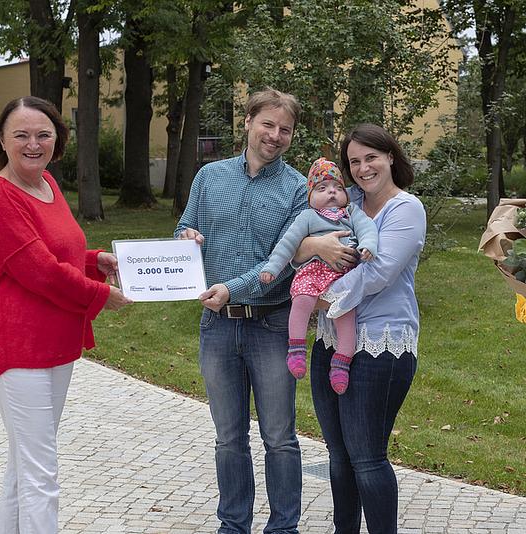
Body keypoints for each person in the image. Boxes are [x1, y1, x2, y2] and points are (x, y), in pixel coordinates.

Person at [0, 96, 131, 534]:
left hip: (55, 343)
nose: (32, 143)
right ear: (2, 140)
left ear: (57, 140)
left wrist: (95, 261)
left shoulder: (48, 185)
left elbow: (58, 251)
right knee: (41, 473)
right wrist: (101, 296)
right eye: (20, 135)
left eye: (43, 134)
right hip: (17, 347)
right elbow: (39, 271)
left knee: (25, 466)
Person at [174, 87, 307, 534]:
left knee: (280, 439)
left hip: (271, 324)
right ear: (247, 122)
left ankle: (283, 527)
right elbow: (184, 227)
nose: (275, 135)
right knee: (229, 438)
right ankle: (233, 525)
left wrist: (232, 288)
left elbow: (286, 261)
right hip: (217, 327)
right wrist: (185, 240)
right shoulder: (209, 176)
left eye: (284, 129)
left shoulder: (298, 190)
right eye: (267, 124)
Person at [294, 124, 426, 533]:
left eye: (372, 157)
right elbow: (295, 244)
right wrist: (314, 248)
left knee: (367, 456)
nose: (364, 167)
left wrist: (319, 299)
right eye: (355, 161)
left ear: (390, 157)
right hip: (331, 342)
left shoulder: (406, 209)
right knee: (338, 453)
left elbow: (380, 272)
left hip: (381, 346)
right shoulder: (346, 202)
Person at [260, 157, 378, 394]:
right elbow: (288, 244)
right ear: (310, 196)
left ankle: (341, 364)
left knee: (346, 317)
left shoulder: (351, 212)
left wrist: (367, 246)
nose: (331, 192)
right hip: (313, 271)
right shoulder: (307, 217)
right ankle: (296, 349)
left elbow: (367, 228)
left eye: (337, 187)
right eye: (322, 188)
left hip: (344, 275)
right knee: (302, 301)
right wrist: (272, 268)